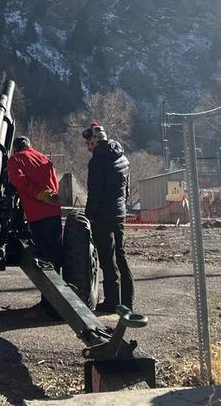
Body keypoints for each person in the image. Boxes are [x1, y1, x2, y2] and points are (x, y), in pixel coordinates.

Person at [7, 136, 61, 316]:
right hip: (54, 214)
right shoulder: (44, 158)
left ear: (16, 149)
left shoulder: (16, 159)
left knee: (45, 262)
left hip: (38, 216)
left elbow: (19, 183)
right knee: (55, 259)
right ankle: (53, 303)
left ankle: (49, 307)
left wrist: (37, 195)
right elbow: (55, 184)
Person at [83, 122, 133, 313]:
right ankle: (127, 303)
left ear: (94, 142)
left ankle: (112, 301)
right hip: (119, 214)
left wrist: (89, 217)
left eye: (89, 143)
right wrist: (120, 207)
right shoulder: (123, 158)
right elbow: (126, 190)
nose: (88, 147)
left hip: (103, 216)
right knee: (121, 256)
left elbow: (95, 193)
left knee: (106, 259)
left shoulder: (97, 161)